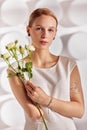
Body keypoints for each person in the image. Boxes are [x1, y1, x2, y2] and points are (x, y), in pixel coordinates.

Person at [7, 8, 84, 130]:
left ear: (55, 34)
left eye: (50, 30)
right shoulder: (15, 69)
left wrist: (46, 100)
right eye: (39, 28)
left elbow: (79, 111)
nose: (45, 35)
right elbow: (35, 114)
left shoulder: (68, 65)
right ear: (28, 30)